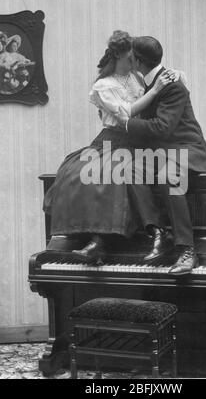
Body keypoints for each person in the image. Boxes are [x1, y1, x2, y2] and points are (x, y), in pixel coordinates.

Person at [43, 30, 175, 265]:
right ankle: (95, 240)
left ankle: (109, 240)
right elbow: (126, 114)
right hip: (111, 139)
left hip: (137, 140)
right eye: (129, 59)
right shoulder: (103, 85)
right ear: (117, 58)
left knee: (119, 171)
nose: (134, 62)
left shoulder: (137, 78)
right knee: (81, 173)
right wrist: (154, 91)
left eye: (135, 58)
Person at [116, 36, 206, 275]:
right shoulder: (151, 82)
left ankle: (187, 249)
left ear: (137, 61)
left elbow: (161, 127)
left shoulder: (172, 85)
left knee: (168, 176)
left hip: (187, 149)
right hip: (164, 152)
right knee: (129, 170)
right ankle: (158, 233)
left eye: (131, 57)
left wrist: (126, 124)